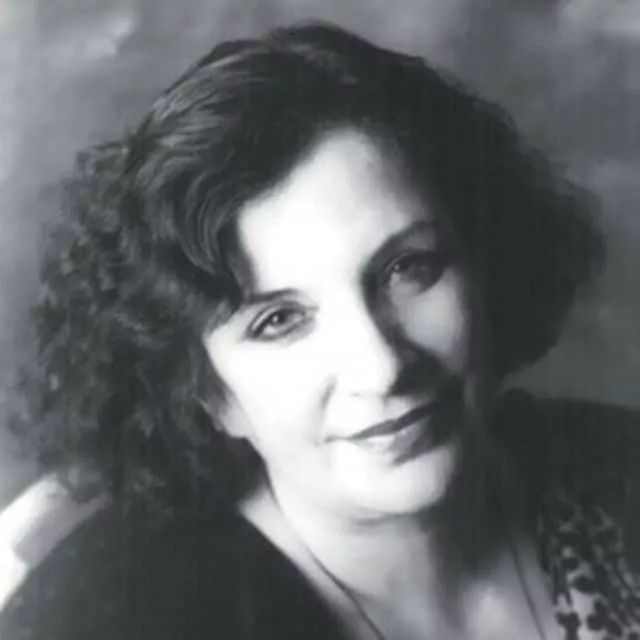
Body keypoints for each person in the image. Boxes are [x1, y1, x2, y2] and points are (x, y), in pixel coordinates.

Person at [2, 21, 639, 640]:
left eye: (407, 268)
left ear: (484, 257)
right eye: (279, 321)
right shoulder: (118, 619)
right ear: (204, 392)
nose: (381, 366)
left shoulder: (618, 468)